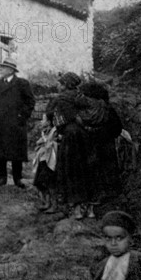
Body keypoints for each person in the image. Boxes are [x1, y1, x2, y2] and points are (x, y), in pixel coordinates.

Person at [45, 72, 94, 218]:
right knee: (84, 170)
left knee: (70, 170)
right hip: (85, 137)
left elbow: (53, 116)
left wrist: (58, 128)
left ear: (66, 85)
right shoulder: (82, 96)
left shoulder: (61, 98)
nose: (58, 86)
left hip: (70, 137)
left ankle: (75, 208)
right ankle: (86, 207)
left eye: (60, 83)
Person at [0, 57, 35, 189]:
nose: (0, 69)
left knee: (16, 152)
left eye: (3, 67)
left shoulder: (22, 84)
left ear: (11, 70)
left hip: (15, 124)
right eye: (1, 67)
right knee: (0, 151)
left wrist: (21, 116)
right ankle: (2, 178)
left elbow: (30, 102)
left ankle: (18, 178)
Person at [79, 82, 123, 210]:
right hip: (104, 145)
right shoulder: (107, 109)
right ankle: (107, 196)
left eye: (86, 95)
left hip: (98, 145)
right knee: (104, 171)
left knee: (98, 170)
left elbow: (116, 128)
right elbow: (117, 129)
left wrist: (95, 132)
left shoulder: (89, 111)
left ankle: (101, 197)